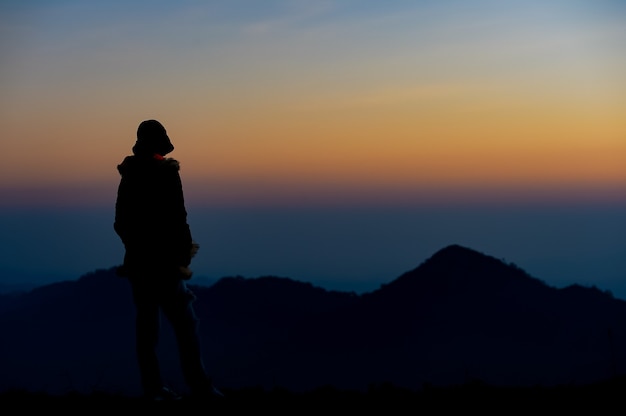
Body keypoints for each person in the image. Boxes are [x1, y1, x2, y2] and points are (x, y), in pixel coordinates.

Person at [114, 119, 221, 401]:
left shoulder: (130, 175)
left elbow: (121, 223)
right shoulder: (167, 174)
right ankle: (200, 387)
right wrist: (180, 253)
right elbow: (178, 218)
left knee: (148, 328)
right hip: (164, 264)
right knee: (185, 325)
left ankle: (154, 389)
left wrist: (137, 248)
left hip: (139, 264)